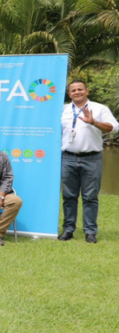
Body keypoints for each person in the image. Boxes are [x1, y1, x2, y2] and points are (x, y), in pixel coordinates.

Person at [59, 80, 117, 243]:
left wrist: (94, 122)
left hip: (92, 159)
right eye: (73, 90)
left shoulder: (99, 108)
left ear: (87, 91)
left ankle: (90, 231)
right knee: (69, 196)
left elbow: (114, 127)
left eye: (80, 89)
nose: (77, 92)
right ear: (69, 94)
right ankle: (68, 229)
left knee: (90, 197)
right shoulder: (62, 110)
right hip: (68, 158)